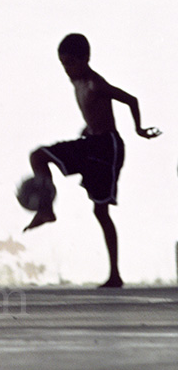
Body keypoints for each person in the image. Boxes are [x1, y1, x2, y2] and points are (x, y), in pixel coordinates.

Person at [23, 33, 160, 288]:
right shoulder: (76, 83)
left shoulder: (95, 83)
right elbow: (95, 115)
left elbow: (131, 100)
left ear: (86, 59)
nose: (67, 69)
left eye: (71, 63)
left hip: (108, 148)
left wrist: (139, 129)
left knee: (101, 210)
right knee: (39, 156)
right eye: (63, 64)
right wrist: (87, 130)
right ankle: (46, 210)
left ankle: (115, 275)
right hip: (92, 143)